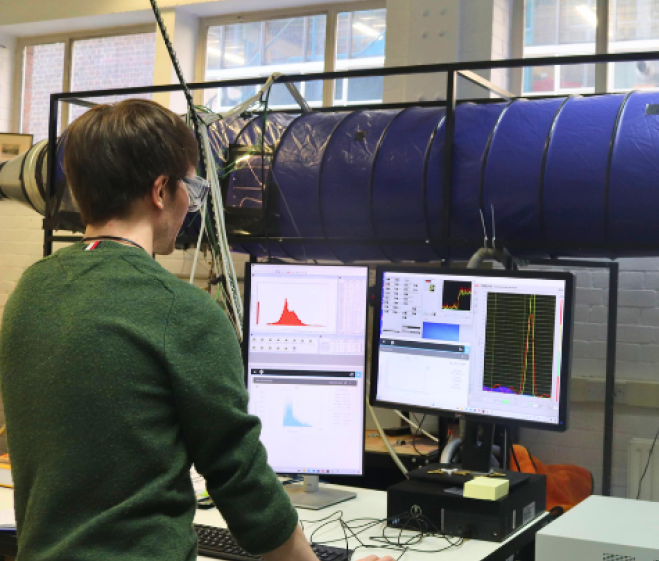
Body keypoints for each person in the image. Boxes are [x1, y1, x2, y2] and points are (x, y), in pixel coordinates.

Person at [0, 99, 391, 561]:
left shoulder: (31, 292)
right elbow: (240, 477)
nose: (191, 203)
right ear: (160, 191)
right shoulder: (180, 311)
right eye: (192, 186)